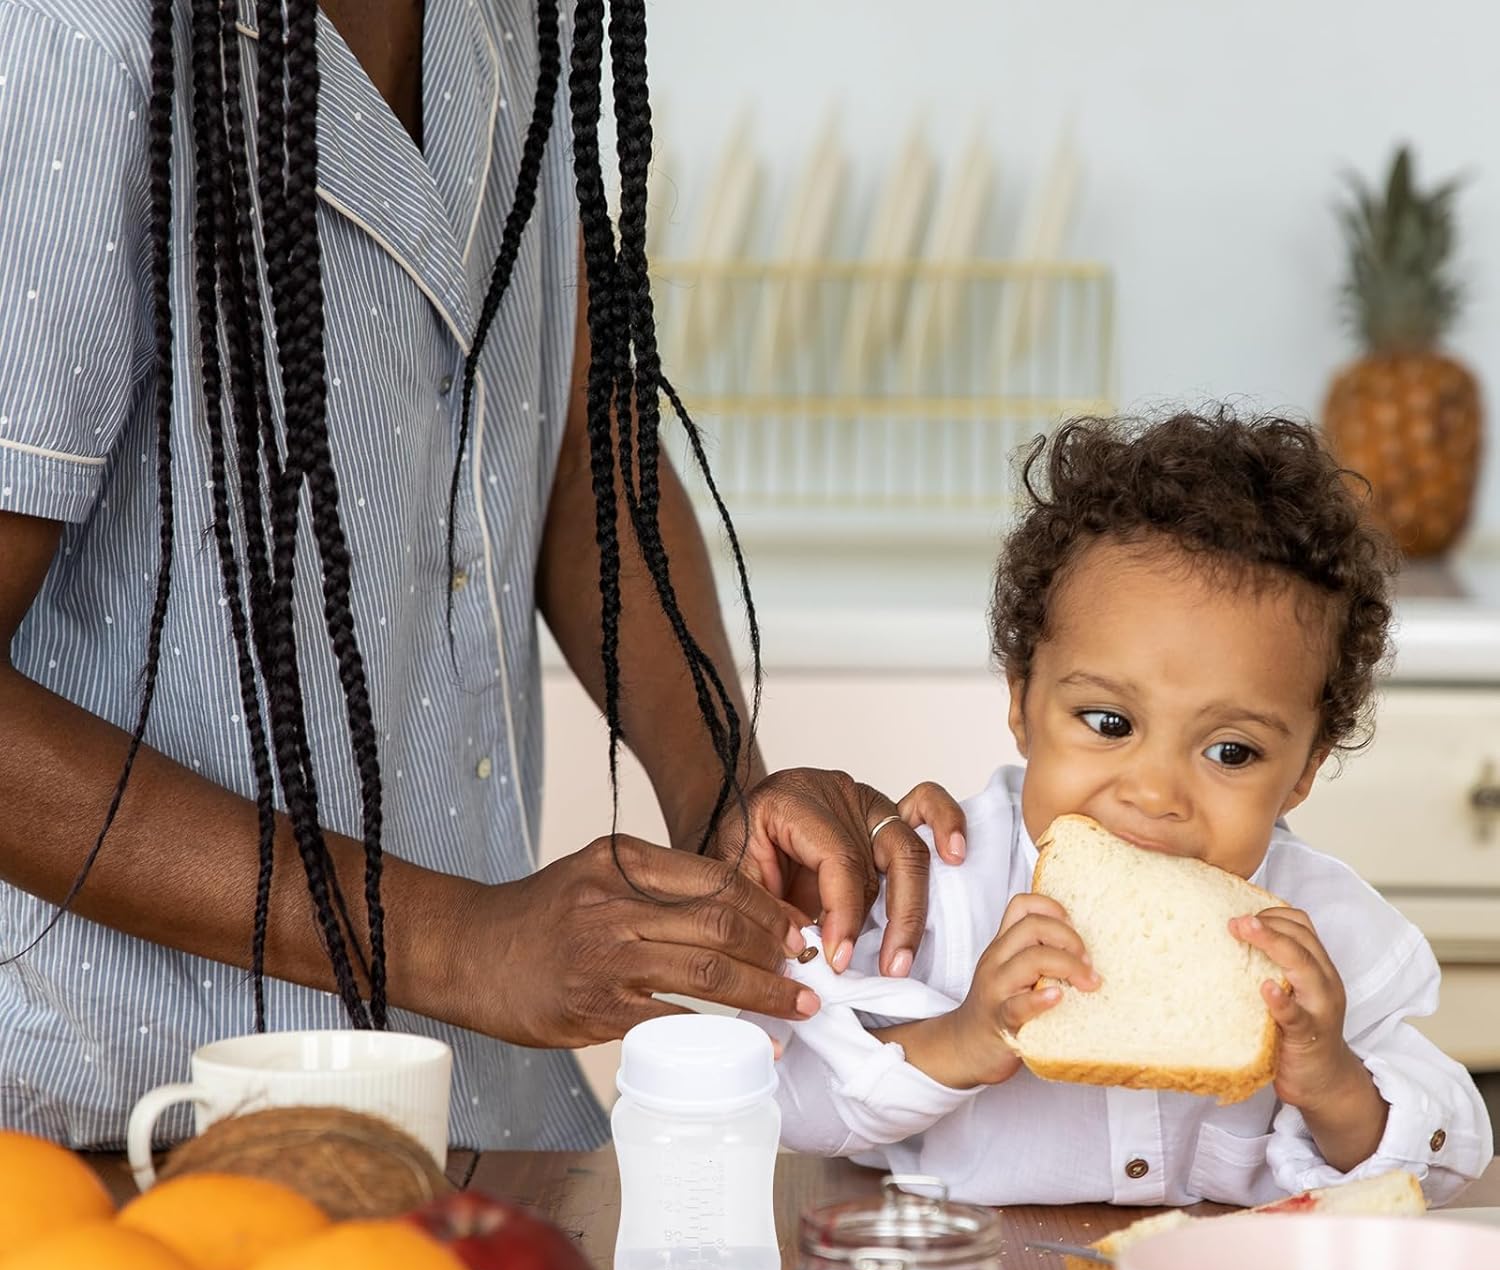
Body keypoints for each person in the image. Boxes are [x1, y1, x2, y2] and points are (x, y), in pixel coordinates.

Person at [0, 0, 962, 1150]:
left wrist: (726, 798)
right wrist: (465, 942)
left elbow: (567, 440)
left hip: (476, 1119)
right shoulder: (69, 42)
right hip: (123, 1130)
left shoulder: (512, 17)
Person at [760, 410, 1493, 1206]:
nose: (1154, 793)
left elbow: (1459, 1161)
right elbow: (789, 1103)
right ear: (1022, 702)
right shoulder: (940, 888)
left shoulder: (1318, 933)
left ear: (1305, 772)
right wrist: (962, 1038)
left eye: (1232, 752)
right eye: (1109, 724)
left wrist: (1335, 1085)